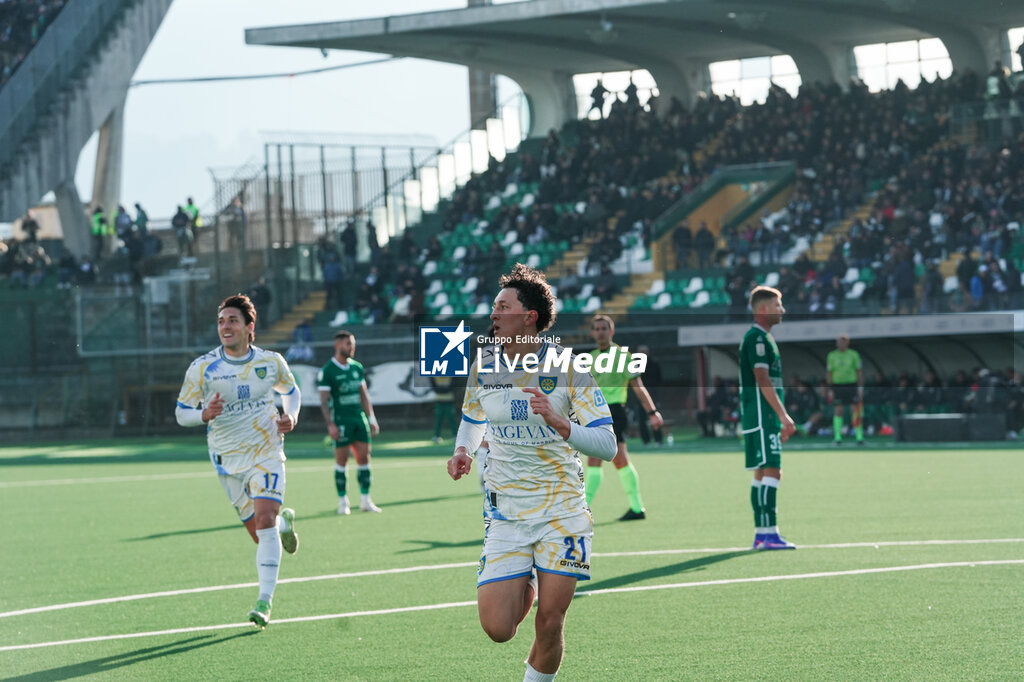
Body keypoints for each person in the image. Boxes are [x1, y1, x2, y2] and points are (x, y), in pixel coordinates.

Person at [446, 263, 615, 682]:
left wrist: (562, 424)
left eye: (502, 307)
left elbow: (607, 445)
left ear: (529, 317)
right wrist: (463, 450)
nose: (493, 316)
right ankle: (531, 578)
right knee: (498, 628)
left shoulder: (570, 368)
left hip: (562, 511)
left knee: (550, 623)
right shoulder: (484, 365)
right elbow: (472, 417)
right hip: (507, 512)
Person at [174, 294, 301, 628]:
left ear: (249, 327)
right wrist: (203, 414)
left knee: (263, 519)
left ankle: (264, 601)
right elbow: (180, 413)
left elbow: (292, 391)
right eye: (220, 321)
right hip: (227, 462)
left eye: (232, 320)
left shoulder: (271, 362)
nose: (225, 326)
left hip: (267, 451)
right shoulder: (203, 368)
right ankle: (284, 527)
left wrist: (291, 415)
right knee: (261, 533)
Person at [584, 314, 663, 521]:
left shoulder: (622, 356)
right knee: (612, 460)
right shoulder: (589, 357)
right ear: (592, 332)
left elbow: (638, 387)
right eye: (597, 328)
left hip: (614, 412)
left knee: (605, 460)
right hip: (594, 413)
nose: (600, 331)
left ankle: (583, 510)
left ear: (611, 332)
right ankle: (636, 508)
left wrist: (652, 413)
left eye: (604, 328)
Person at [739, 285, 797, 550]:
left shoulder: (760, 338)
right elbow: (762, 379)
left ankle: (762, 534)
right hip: (763, 416)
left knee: (761, 472)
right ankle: (769, 532)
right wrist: (783, 416)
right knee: (772, 470)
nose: (782, 310)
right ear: (763, 309)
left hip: (758, 415)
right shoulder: (759, 339)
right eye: (777, 305)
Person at [318, 330, 382, 514]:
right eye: (348, 344)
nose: (352, 347)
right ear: (338, 346)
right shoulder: (327, 370)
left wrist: (371, 418)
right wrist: (330, 424)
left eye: (353, 344)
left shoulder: (357, 367)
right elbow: (323, 400)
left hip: (358, 419)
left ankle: (365, 500)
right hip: (341, 420)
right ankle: (343, 502)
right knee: (342, 461)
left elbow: (364, 395)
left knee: (364, 458)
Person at [826, 333, 864, 446]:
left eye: (842, 342)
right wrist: (830, 388)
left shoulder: (854, 355)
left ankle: (859, 436)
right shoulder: (831, 355)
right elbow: (829, 372)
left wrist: (860, 387)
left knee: (855, 410)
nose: (840, 344)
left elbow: (859, 371)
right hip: (837, 385)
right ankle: (837, 437)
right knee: (838, 410)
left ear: (847, 343)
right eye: (838, 342)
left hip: (851, 385)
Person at [430, 375, 457, 444]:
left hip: (449, 401)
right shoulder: (435, 376)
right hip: (439, 401)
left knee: (452, 420)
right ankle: (436, 436)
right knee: (438, 420)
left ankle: (455, 435)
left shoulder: (450, 376)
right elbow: (434, 387)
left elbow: (452, 387)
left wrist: (442, 389)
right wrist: (443, 389)